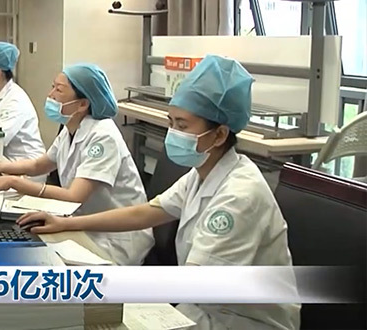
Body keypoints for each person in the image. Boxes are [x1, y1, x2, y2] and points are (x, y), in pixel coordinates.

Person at [18, 55, 300, 329]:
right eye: (171, 122)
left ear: (219, 135)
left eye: (182, 125)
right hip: (203, 309)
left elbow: (196, 282)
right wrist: (66, 223)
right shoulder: (202, 175)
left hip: (240, 321)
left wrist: (113, 286)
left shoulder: (239, 196)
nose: (172, 133)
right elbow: (146, 213)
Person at [0, 63, 154, 266]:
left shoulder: (103, 137)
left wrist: (13, 182)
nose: (50, 95)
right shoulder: (71, 128)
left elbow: (74, 196)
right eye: (52, 86)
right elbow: (39, 165)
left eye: (59, 90)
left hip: (115, 238)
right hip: (83, 222)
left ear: (82, 104)